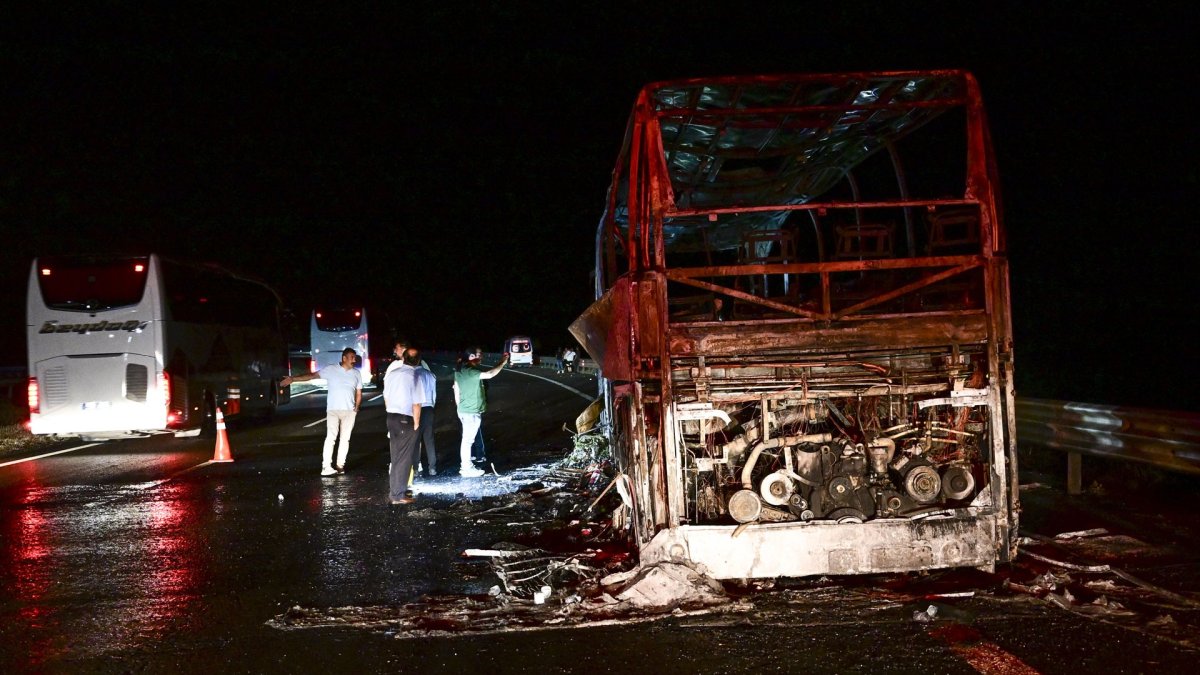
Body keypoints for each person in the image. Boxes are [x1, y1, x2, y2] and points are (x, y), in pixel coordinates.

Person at [282, 347, 362, 476]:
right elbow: (312, 376)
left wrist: (357, 407)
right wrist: (293, 379)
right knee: (331, 438)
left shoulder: (356, 373)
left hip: (349, 410)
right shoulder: (331, 369)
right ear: (344, 358)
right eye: (352, 357)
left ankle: (340, 465)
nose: (354, 359)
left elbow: (359, 392)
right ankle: (326, 467)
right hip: (333, 410)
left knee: (345, 439)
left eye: (355, 357)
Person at [453, 347, 508, 477]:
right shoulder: (470, 371)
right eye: (477, 355)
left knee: (466, 441)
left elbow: (456, 390)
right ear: (471, 357)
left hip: (464, 410)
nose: (480, 357)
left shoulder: (459, 370)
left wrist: (459, 408)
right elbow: (489, 374)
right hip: (471, 412)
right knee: (467, 441)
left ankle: (466, 467)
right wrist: (503, 362)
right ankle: (466, 468)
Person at [384, 343, 426, 504]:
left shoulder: (393, 373)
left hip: (391, 416)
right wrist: (416, 424)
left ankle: (394, 492)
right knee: (404, 458)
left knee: (396, 457)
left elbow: (386, 395)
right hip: (405, 418)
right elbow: (417, 403)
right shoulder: (415, 376)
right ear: (417, 360)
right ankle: (398, 495)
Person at [414, 360, 438, 477]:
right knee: (429, 440)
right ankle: (432, 468)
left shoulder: (413, 374)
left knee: (415, 440)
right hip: (429, 408)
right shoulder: (431, 375)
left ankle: (416, 467)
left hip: (417, 408)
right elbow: (434, 394)